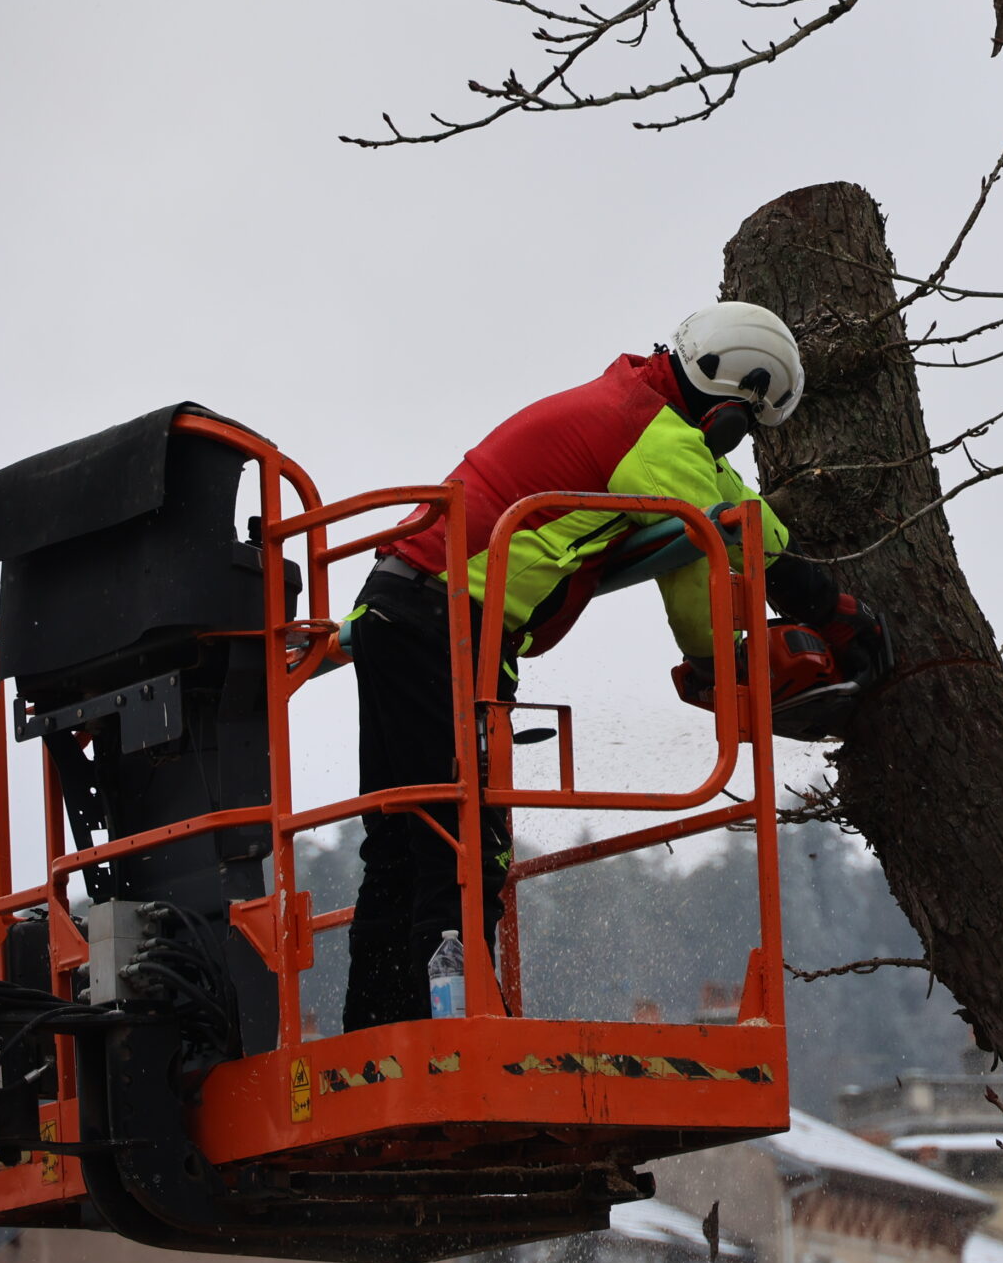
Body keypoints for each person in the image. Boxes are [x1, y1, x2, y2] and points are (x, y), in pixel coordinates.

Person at [342, 302, 885, 1030]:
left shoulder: (632, 406)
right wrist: (839, 616)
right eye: (747, 423)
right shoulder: (652, 437)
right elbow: (743, 543)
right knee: (464, 840)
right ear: (732, 405)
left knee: (403, 836)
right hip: (451, 625)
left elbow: (739, 520)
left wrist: (733, 650)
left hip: (390, 610)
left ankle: (378, 1029)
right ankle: (458, 1027)